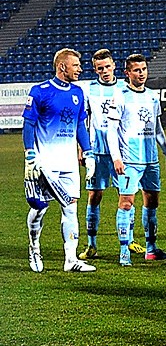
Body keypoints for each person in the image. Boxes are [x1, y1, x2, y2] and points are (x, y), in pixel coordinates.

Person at [23, 48, 97, 272]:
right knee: (39, 207)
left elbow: (80, 125)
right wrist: (29, 154)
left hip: (69, 164)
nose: (81, 69)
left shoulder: (78, 92)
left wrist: (89, 152)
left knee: (71, 208)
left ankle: (71, 259)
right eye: (76, 65)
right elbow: (28, 124)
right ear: (62, 66)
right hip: (45, 164)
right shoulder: (40, 91)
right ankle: (34, 248)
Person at [107, 54, 166, 266]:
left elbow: (157, 129)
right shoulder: (120, 95)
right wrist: (116, 158)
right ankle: (124, 251)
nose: (141, 73)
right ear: (127, 73)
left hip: (151, 160)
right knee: (126, 203)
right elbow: (111, 130)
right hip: (129, 159)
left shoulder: (153, 96)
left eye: (144, 69)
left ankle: (151, 249)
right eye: (136, 70)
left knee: (152, 203)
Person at [79, 49, 145, 260]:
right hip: (97, 151)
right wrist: (81, 149)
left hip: (123, 152)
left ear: (114, 66)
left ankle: (131, 240)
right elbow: (83, 121)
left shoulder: (125, 88)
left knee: (128, 196)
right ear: (95, 69)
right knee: (94, 196)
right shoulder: (89, 89)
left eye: (107, 66)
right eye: (100, 68)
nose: (105, 71)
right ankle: (91, 245)